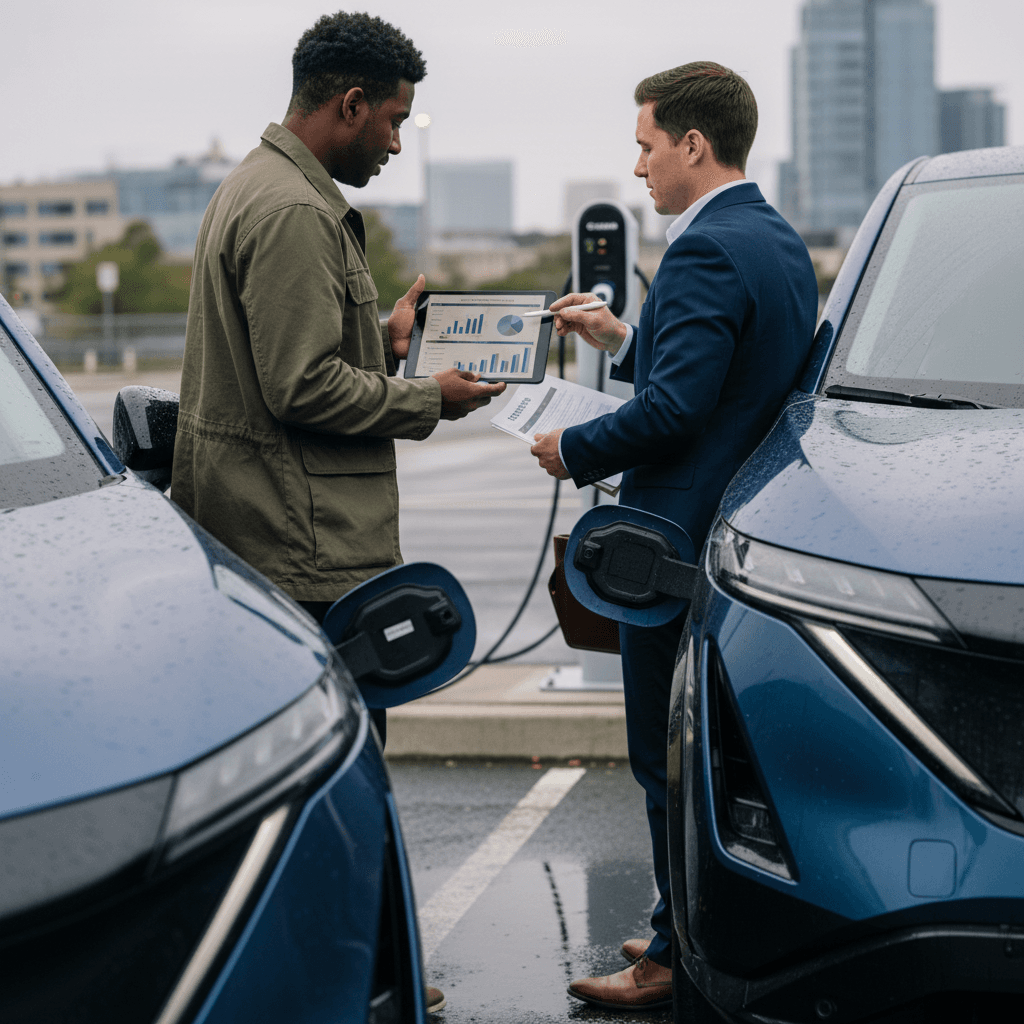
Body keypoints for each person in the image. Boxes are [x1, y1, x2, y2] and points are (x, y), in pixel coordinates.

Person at [172, 12, 506, 1014]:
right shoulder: (292, 211)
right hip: (302, 542)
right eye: (392, 121)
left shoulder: (269, 188)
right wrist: (428, 398)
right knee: (335, 773)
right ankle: (352, 977)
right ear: (348, 104)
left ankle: (343, 966)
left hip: (283, 527)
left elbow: (308, 355)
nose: (398, 143)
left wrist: (386, 333)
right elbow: (300, 388)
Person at [530, 62, 818, 1011]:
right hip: (737, 531)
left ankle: (670, 959)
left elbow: (676, 410)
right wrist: (621, 337)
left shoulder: (699, 251)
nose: (640, 167)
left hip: (671, 544)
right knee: (708, 755)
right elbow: (730, 377)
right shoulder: (773, 239)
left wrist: (570, 445)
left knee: (665, 756)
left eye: (648, 146)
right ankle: (679, 926)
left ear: (695, 145)